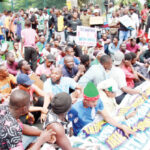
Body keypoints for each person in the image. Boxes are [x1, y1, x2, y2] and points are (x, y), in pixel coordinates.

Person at [68, 82, 134, 136]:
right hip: (81, 133)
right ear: (85, 101)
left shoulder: (98, 101)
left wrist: (122, 126)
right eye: (93, 101)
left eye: (97, 100)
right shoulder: (75, 109)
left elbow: (107, 117)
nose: (96, 103)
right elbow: (70, 127)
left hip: (93, 128)